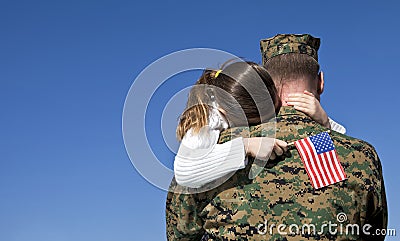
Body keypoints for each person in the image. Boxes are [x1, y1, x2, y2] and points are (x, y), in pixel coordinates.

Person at [166, 34, 387, 240]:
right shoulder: (359, 155)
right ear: (320, 82)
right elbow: (373, 232)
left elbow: (180, 233)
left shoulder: (205, 154)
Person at [174, 66, 346, 188]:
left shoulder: (244, 90)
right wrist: (247, 146)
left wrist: (325, 122)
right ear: (225, 111)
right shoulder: (210, 117)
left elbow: (346, 141)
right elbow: (184, 172)